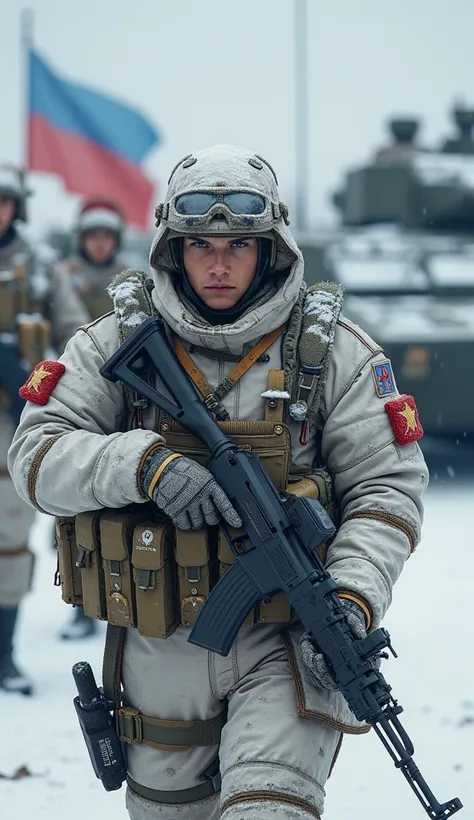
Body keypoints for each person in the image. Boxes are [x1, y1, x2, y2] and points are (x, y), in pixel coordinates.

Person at [8, 145, 428, 818]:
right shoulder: (112, 343)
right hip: (158, 643)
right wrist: (142, 465)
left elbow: (388, 488)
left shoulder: (333, 355)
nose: (219, 262)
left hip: (290, 644)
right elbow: (34, 457)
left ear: (271, 247)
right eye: (200, 243)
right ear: (173, 249)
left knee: (270, 807)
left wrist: (351, 597)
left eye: (240, 244)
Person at [0, 163, 89, 694]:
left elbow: (79, 341)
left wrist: (29, 380)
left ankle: (3, 653)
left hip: (15, 420)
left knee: (10, 538)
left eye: (5, 201)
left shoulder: (38, 269)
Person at [60, 197, 126, 319]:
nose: (100, 243)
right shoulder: (64, 273)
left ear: (116, 241)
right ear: (82, 239)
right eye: (93, 236)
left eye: (107, 236)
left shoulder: (127, 278)